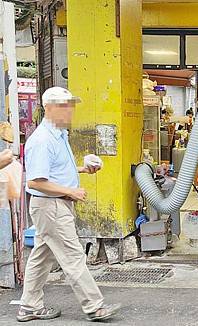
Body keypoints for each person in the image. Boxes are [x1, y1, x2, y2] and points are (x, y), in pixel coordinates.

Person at [17, 87, 121, 323]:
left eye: (71, 105)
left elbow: (54, 172)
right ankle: (95, 307)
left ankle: (29, 306)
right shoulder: (43, 140)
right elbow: (35, 181)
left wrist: (83, 169)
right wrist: (70, 191)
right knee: (73, 256)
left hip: (52, 206)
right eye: (65, 106)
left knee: (41, 256)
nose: (70, 111)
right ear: (50, 108)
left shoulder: (58, 135)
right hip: (51, 207)